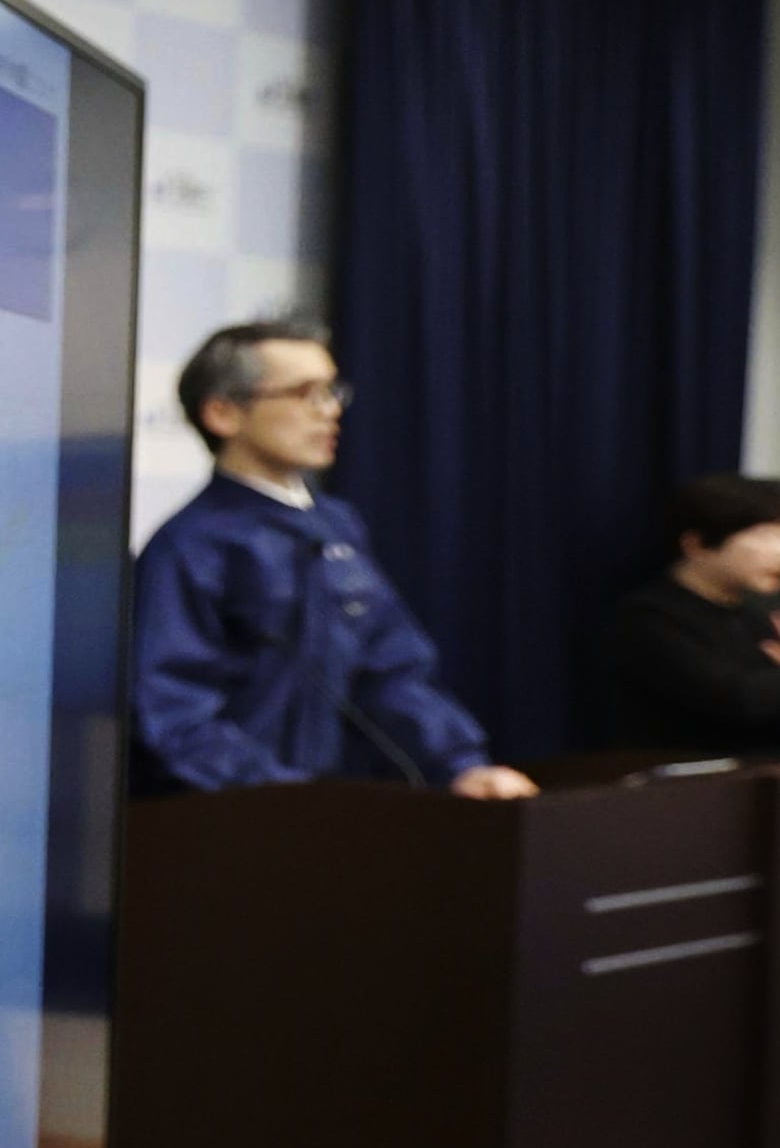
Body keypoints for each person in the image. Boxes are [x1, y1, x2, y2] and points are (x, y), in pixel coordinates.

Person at [133, 321, 534, 798]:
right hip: (236, 826)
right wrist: (286, 797)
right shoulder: (190, 547)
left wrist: (460, 765)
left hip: (335, 820)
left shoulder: (337, 527)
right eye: (306, 393)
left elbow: (391, 667)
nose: (329, 412)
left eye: (332, 392)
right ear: (223, 413)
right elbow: (173, 715)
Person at [596, 474, 780, 761]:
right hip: (677, 793)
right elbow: (738, 701)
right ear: (696, 544)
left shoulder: (752, 621)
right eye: (764, 536)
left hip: (759, 789)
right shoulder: (648, 617)